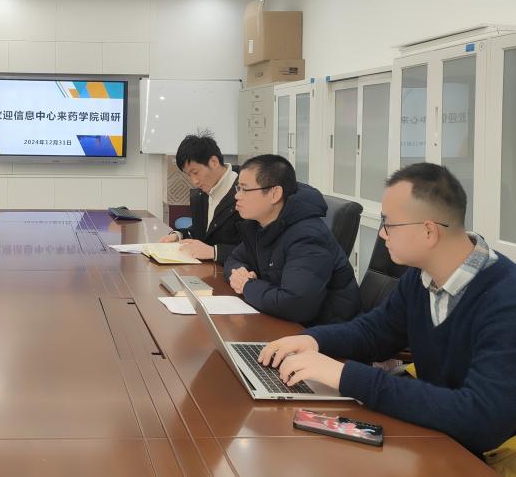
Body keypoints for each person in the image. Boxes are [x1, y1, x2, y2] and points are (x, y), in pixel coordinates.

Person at [258, 163, 516, 459]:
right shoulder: (421, 277)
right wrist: (313, 340)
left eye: (388, 224)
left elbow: (481, 419)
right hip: (439, 438)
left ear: (429, 230)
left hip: (489, 455)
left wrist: (345, 375)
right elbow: (375, 333)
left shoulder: (505, 299)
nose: (382, 234)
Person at [223, 154, 360, 326]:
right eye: (238, 188)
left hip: (324, 332)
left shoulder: (308, 236)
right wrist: (240, 273)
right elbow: (234, 259)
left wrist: (248, 286)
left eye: (245, 189)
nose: (237, 196)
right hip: (281, 322)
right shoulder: (259, 224)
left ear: (275, 194)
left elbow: (297, 304)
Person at [159, 133, 240, 261]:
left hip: (234, 270)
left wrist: (215, 252)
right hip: (207, 268)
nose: (194, 181)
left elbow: (256, 248)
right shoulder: (201, 194)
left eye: (195, 172)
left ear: (214, 162)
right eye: (189, 175)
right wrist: (178, 236)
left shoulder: (246, 190)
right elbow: (205, 232)